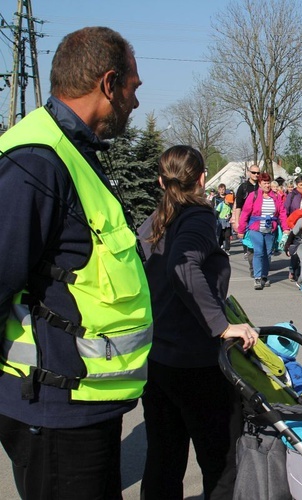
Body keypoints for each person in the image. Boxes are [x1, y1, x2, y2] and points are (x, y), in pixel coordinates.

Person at [0, 27, 150, 499]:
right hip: (52, 410)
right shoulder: (38, 161)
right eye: (133, 88)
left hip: (84, 407)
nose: (137, 102)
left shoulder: (75, 152)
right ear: (109, 84)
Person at [139, 146, 257, 499]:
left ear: (161, 181)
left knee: (163, 461)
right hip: (198, 364)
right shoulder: (197, 217)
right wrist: (222, 326)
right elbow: (184, 266)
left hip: (159, 360)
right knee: (221, 465)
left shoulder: (155, 220)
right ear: (203, 178)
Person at [238, 172, 289, 290]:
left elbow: (282, 212)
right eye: (264, 183)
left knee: (267, 253)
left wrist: (286, 228)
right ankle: (257, 277)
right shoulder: (253, 195)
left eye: (268, 183)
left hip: (271, 228)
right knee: (259, 252)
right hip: (255, 228)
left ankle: (264, 276)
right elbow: (245, 213)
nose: (267, 185)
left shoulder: (276, 196)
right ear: (260, 184)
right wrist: (241, 230)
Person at [233, 163, 261, 271]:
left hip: (259, 219)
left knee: (260, 245)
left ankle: (259, 266)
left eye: (258, 173)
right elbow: (238, 206)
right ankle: (253, 267)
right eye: (253, 172)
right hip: (247, 220)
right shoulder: (243, 187)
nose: (256, 175)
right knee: (251, 246)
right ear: (249, 173)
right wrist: (237, 222)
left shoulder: (261, 186)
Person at [214, 183, 233, 253]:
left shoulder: (228, 197)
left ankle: (227, 249)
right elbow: (214, 208)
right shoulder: (216, 198)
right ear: (218, 190)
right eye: (220, 189)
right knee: (220, 234)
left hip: (227, 220)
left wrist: (230, 215)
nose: (222, 191)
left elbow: (232, 208)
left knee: (227, 235)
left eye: (223, 189)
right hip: (219, 219)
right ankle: (220, 245)